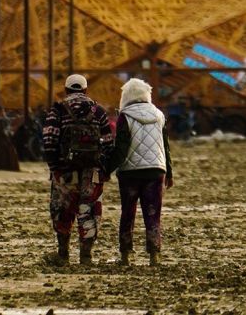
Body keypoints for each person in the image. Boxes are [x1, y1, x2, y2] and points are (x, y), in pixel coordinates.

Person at [42, 74, 114, 265]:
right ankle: (86, 255)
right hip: (92, 171)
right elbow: (108, 143)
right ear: (85, 90)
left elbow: (49, 140)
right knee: (89, 210)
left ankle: (63, 254)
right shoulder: (98, 110)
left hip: (65, 171)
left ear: (66, 90)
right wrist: (105, 169)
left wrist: (54, 168)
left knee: (62, 210)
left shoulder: (57, 110)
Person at [109, 77, 173, 266]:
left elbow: (121, 148)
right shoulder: (159, 115)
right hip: (156, 171)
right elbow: (165, 146)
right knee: (153, 213)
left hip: (130, 173)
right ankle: (154, 255)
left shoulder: (124, 116)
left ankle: (126, 255)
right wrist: (169, 172)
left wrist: (106, 169)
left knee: (128, 212)